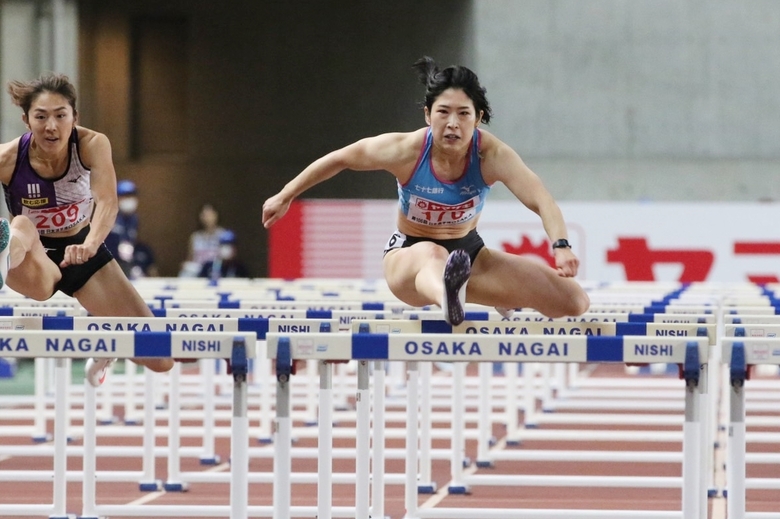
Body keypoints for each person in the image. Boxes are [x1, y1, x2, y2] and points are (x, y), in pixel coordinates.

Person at [262, 57, 590, 325]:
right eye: (443, 112)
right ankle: (449, 299)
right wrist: (286, 194)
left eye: (463, 114)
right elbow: (342, 159)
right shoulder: (406, 149)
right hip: (410, 257)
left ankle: (469, 292)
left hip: (470, 256)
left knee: (574, 301)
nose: (452, 124)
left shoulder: (492, 155)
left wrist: (561, 245)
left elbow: (541, 199)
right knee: (434, 256)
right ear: (427, 114)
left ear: (479, 118)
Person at [0, 73, 174, 385]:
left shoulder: (92, 144)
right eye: (40, 117)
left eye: (60, 116)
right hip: (32, 257)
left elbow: (107, 201)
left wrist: (91, 243)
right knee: (23, 225)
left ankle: (106, 347)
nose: (51, 126)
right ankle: (3, 257)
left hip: (82, 250)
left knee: (160, 358)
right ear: (27, 121)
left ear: (74, 117)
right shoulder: (8, 158)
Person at [105, 179, 159, 278]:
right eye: (125, 196)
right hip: (108, 262)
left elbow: (131, 239)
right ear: (118, 198)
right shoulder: (110, 216)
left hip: (126, 262)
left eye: (131, 196)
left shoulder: (134, 218)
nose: (129, 199)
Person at [179, 203, 224, 277]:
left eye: (210, 215)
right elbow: (190, 258)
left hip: (216, 268)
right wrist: (185, 265)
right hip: (198, 269)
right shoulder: (195, 236)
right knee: (185, 273)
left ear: (216, 215)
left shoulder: (223, 235)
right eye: (204, 215)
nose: (207, 218)